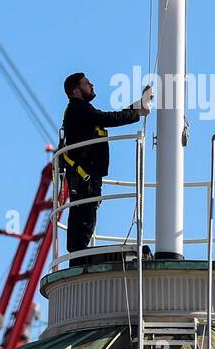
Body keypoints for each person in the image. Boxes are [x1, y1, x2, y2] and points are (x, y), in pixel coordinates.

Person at [60, 72, 150, 262]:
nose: (92, 85)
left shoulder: (81, 110)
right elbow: (108, 118)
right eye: (86, 83)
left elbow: (108, 117)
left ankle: (79, 256)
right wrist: (137, 112)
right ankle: (79, 257)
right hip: (84, 176)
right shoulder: (79, 110)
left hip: (87, 175)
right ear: (76, 91)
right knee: (83, 216)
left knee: (84, 215)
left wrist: (136, 108)